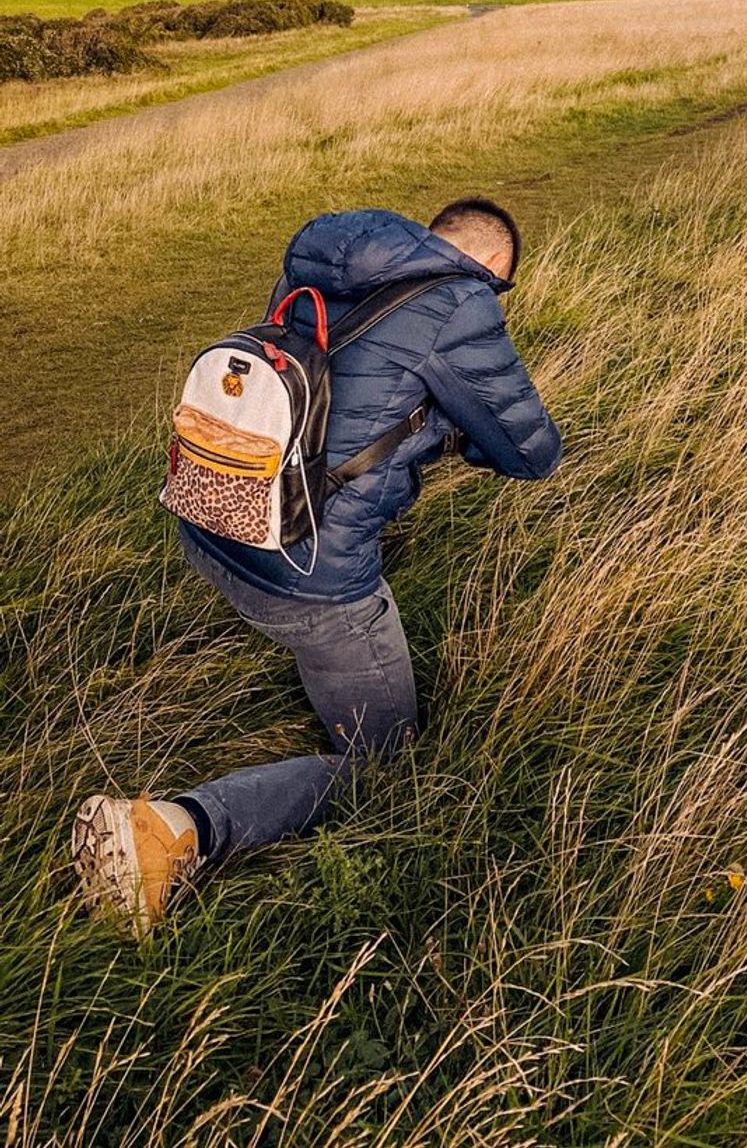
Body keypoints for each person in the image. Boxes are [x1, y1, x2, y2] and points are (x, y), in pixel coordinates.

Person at [72, 198, 562, 936]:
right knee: (381, 765)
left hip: (210, 522)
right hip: (307, 580)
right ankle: (169, 832)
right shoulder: (461, 303)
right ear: (490, 271)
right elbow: (533, 454)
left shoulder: (324, 261)